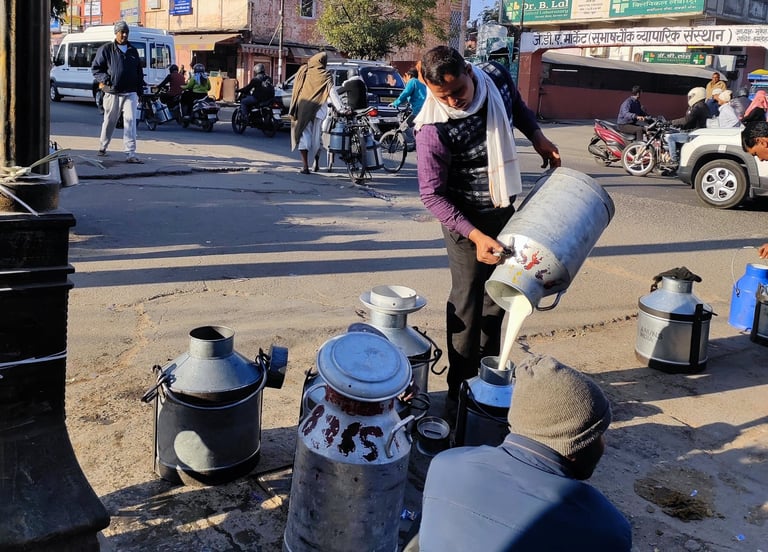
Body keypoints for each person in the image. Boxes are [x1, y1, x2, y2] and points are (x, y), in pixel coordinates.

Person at [414, 46, 560, 410]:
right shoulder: (433, 130)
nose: (452, 101)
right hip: (463, 220)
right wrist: (476, 236)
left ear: (468, 71)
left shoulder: (495, 76)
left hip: (504, 209)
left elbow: (517, 108)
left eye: (457, 91)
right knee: (467, 302)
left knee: (498, 297)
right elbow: (432, 196)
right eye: (441, 95)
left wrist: (538, 136)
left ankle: (484, 382)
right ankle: (457, 392)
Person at [407, 355, 632, 551]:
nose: (604, 444)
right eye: (599, 434)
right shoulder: (606, 529)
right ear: (574, 443)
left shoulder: (447, 464)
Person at [91, 21, 146, 163]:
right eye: (122, 32)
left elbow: (139, 72)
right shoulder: (106, 49)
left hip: (131, 92)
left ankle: (130, 153)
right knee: (110, 121)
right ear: (116, 33)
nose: (125, 34)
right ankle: (103, 146)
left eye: (126, 32)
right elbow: (96, 69)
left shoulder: (133, 51)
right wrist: (106, 79)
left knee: (130, 121)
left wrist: (140, 90)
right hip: (112, 91)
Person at [289, 52, 333, 174]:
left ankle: (305, 166)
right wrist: (340, 107)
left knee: (305, 137)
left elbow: (296, 88)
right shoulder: (326, 74)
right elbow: (332, 92)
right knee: (316, 138)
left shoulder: (304, 70)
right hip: (320, 110)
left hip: (304, 109)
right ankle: (316, 163)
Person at [665, 87, 709, 167]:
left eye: (691, 96)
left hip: (694, 134)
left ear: (697, 95)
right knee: (677, 133)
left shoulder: (697, 108)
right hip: (697, 132)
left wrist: (671, 122)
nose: (690, 99)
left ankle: (673, 160)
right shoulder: (703, 106)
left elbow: (686, 120)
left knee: (671, 137)